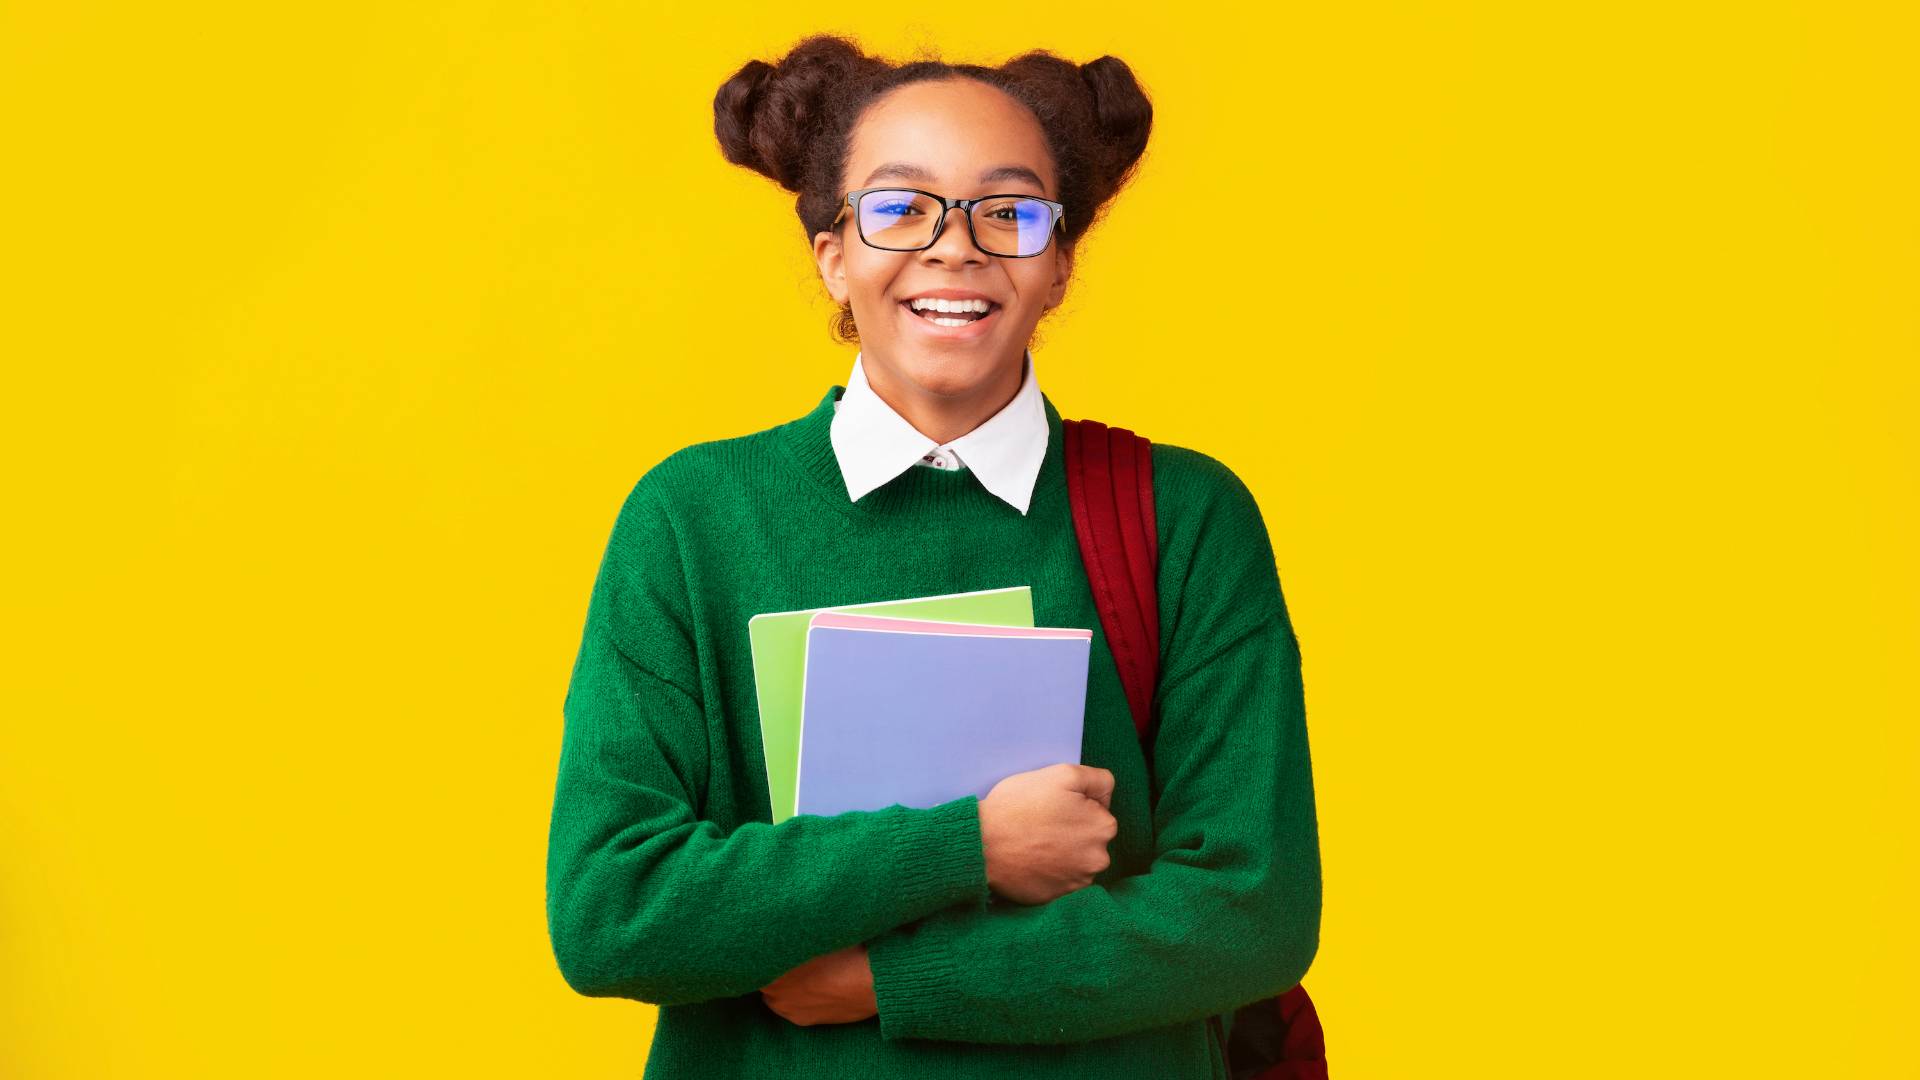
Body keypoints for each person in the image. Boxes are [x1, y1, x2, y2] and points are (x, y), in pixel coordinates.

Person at [545, 33, 1322, 1080]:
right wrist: (970, 845)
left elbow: (1250, 910)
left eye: (1008, 212)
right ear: (833, 254)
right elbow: (612, 909)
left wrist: (892, 980)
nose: (956, 247)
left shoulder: (1185, 519)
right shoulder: (693, 519)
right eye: (900, 207)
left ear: (1058, 265)